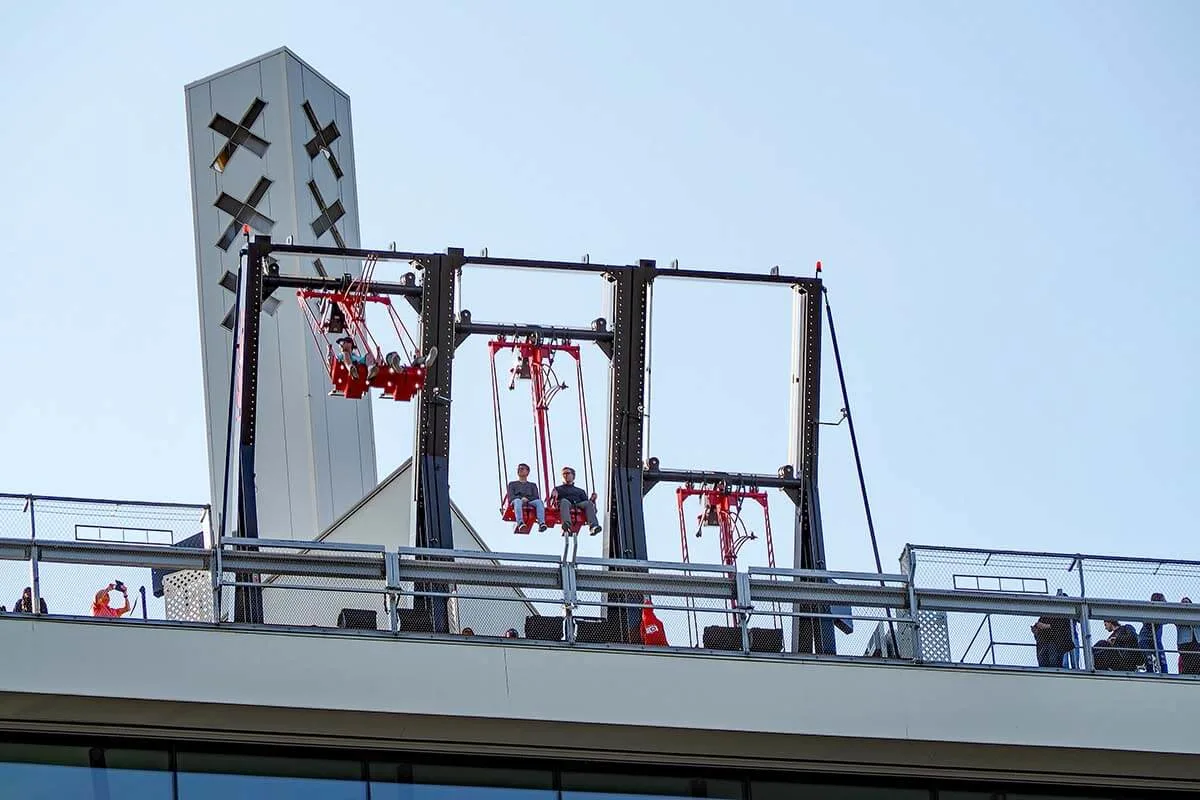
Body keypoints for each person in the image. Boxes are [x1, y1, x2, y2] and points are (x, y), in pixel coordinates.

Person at [550, 466, 602, 536]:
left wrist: (592, 500)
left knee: (588, 503)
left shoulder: (580, 491)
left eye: (567, 473)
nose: (565, 475)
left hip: (578, 504)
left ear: (573, 475)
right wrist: (553, 495)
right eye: (563, 474)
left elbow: (588, 505)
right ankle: (566, 525)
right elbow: (552, 504)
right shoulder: (558, 489)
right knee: (564, 501)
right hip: (566, 504)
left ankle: (593, 526)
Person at [1030, 597, 1074, 668]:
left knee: (1054, 662)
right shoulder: (1044, 616)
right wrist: (1036, 631)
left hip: (1057, 645)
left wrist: (1045, 626)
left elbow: (1061, 627)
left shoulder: (1062, 615)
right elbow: (1039, 628)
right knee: (1044, 661)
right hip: (1045, 644)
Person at [505, 463, 547, 533]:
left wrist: (527, 499)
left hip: (529, 501)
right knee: (518, 501)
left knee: (539, 502)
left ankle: (541, 523)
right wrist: (521, 499)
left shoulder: (532, 485)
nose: (519, 470)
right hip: (516, 501)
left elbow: (536, 496)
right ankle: (520, 522)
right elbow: (511, 496)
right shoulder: (512, 484)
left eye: (522, 469)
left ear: (527, 472)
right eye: (518, 469)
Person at [1138, 593, 1169, 674]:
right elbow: (1145, 622)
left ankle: (1165, 676)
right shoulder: (1149, 611)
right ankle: (1150, 674)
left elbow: (1167, 620)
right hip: (1145, 639)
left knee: (1162, 659)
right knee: (1149, 660)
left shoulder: (1162, 613)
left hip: (1156, 640)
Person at [1176, 597, 1200, 675]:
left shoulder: (1196, 615)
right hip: (1185, 642)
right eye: (1183, 602)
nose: (1185, 604)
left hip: (1196, 640)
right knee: (1187, 660)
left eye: (1187, 602)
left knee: (1197, 659)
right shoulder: (1178, 615)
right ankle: (1186, 674)